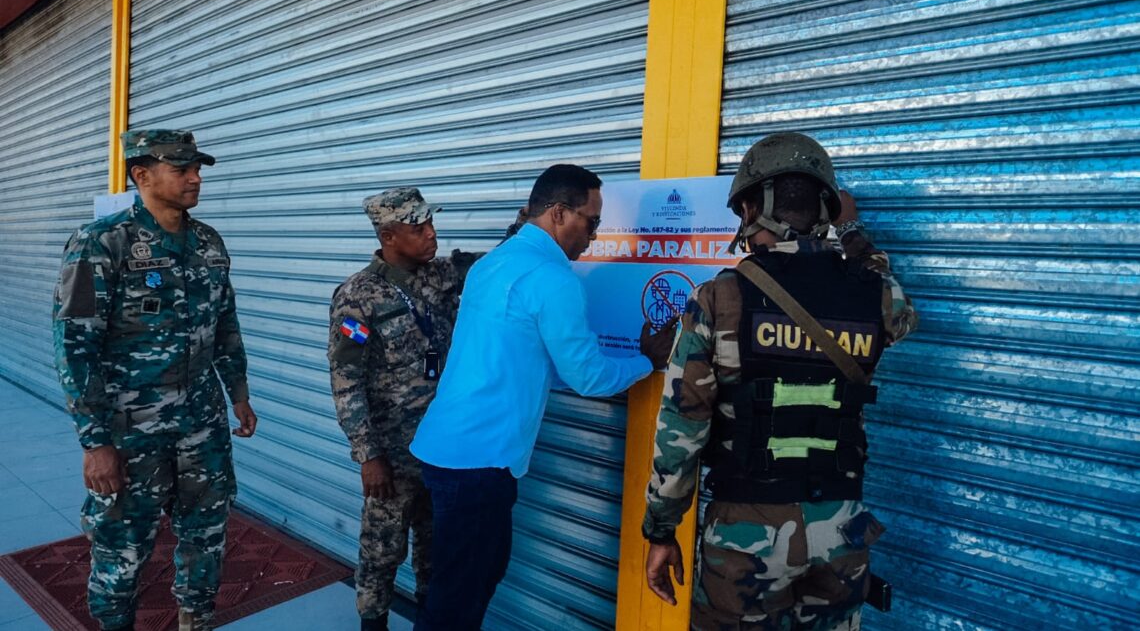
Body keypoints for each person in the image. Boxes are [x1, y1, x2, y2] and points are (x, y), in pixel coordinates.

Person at [642, 133, 918, 630]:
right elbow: (898, 309)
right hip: (841, 533)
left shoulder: (719, 299)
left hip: (746, 540)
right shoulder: (876, 296)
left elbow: (681, 431)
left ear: (751, 209)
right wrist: (852, 231)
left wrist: (662, 530)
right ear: (826, 210)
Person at [409, 163, 678, 630]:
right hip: (477, 464)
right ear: (558, 213)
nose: (594, 235)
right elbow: (588, 377)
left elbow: (529, 359)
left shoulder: (492, 264)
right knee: (457, 601)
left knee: (468, 582)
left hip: (447, 450)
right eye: (591, 222)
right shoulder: (553, 279)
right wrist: (645, 361)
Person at [53, 129, 257, 631]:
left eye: (197, 169)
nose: (195, 178)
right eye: (181, 169)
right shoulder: (100, 243)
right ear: (142, 175)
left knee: (207, 533)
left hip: (202, 422)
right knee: (122, 546)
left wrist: (238, 392)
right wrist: (94, 442)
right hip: (131, 431)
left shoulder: (208, 242)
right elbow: (74, 347)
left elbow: (225, 323)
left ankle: (195, 618)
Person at [328, 187, 477, 631]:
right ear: (389, 236)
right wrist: (369, 456)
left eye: (431, 223)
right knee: (382, 551)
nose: (432, 234)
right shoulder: (358, 297)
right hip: (393, 455)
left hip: (443, 447)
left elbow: (499, 263)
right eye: (418, 227)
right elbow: (346, 380)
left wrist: (528, 223)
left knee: (438, 548)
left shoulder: (442, 275)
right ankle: (373, 624)